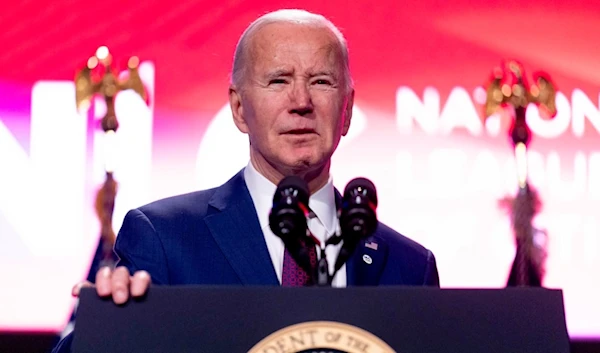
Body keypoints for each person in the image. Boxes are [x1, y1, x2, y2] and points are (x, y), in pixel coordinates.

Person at [52, 8, 439, 353]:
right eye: (278, 81)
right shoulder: (164, 238)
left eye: (321, 81)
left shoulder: (408, 266)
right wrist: (103, 330)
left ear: (347, 110)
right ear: (239, 108)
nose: (301, 100)